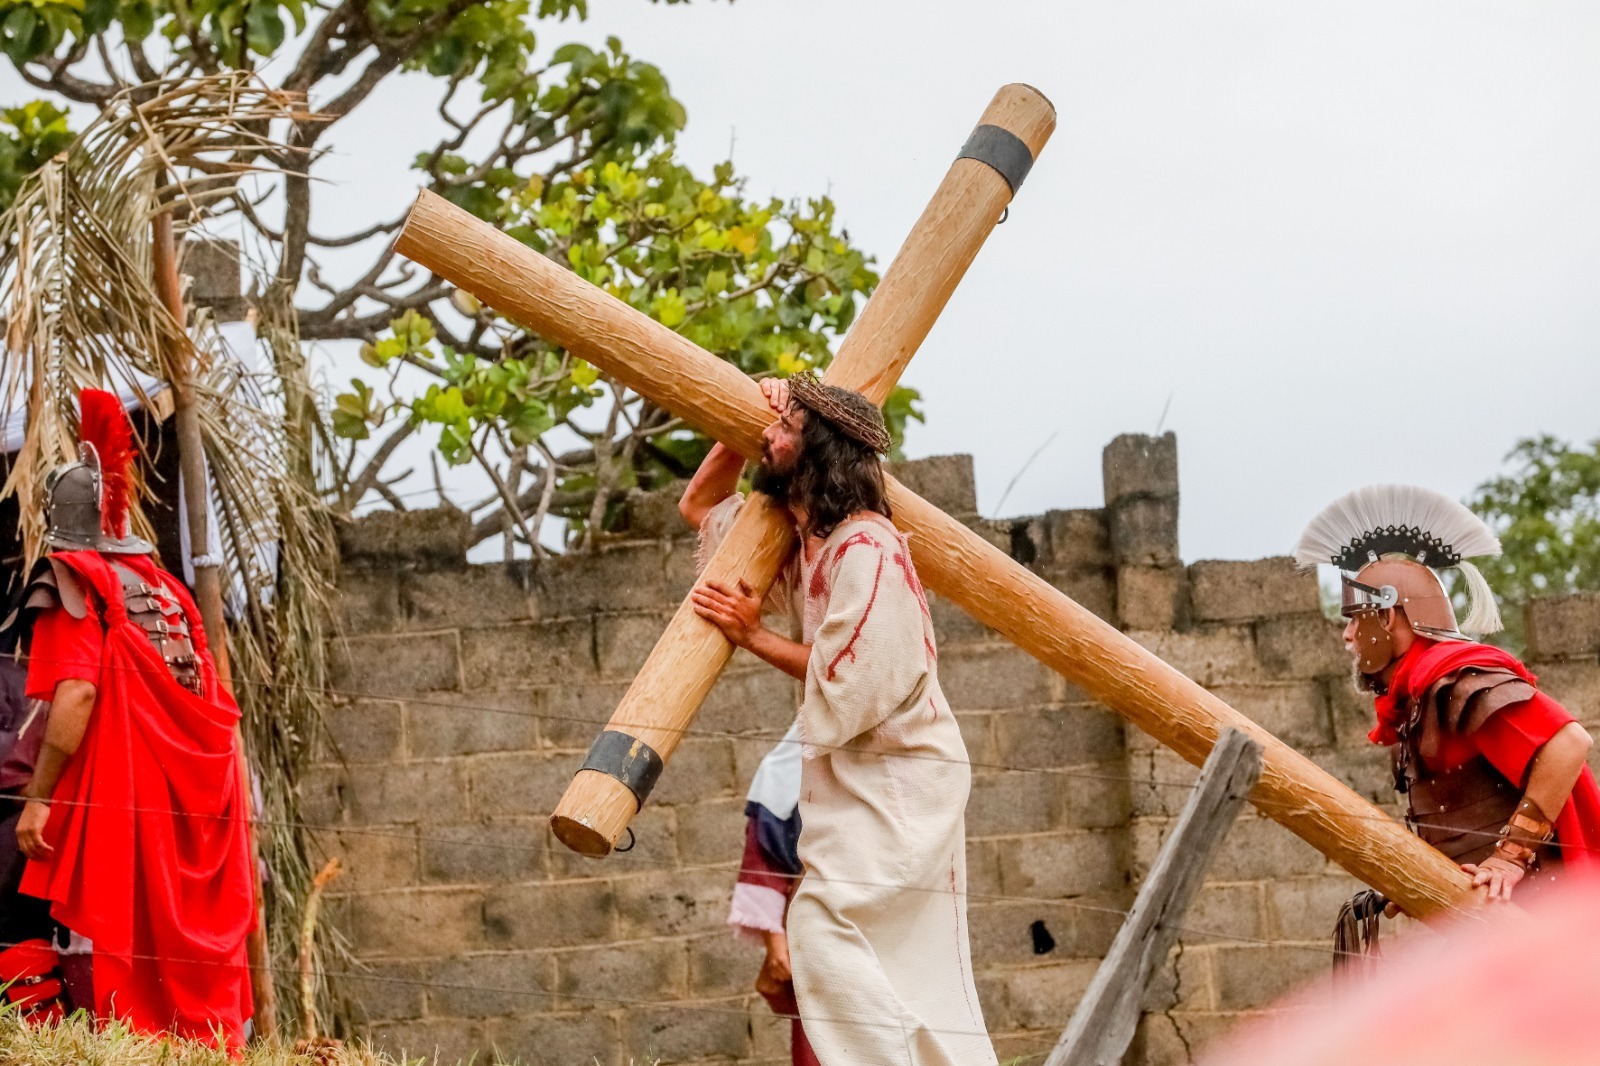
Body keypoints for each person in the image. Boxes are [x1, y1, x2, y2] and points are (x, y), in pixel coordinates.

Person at [681, 373, 994, 1066]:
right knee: (866, 955)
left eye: (786, 428)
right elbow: (701, 503)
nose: (770, 435)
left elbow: (855, 685)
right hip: (853, 775)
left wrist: (753, 635)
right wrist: (743, 413)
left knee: (822, 931)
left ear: (819, 450)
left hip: (906, 776)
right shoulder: (799, 538)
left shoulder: (867, 548)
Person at [2, 389, 254, 1047]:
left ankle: (140, 1043)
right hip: (202, 786)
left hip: (131, 788)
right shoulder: (164, 584)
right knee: (180, 929)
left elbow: (77, 695)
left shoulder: (75, 580)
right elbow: (208, 683)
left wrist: (39, 798)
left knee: (124, 930)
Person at [1296, 484, 1600, 906]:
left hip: (1543, 909)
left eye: (1353, 619)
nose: (1347, 636)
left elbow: (1569, 744)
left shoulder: (1455, 681)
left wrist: (1511, 857)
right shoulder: (1420, 696)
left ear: (1385, 618)